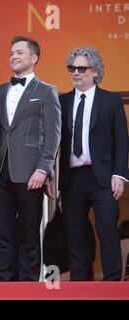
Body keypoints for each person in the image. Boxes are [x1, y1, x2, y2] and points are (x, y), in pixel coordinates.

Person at [0, 36, 61, 281]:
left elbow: (53, 135)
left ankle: (28, 289)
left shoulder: (46, 90)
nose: (13, 56)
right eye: (11, 53)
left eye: (19, 52)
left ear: (34, 58)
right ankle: (0, 287)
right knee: (0, 234)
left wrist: (44, 169)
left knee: (30, 235)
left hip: (30, 173)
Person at [58, 47, 128, 281]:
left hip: (103, 177)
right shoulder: (62, 101)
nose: (75, 73)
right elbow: (53, 143)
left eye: (81, 68)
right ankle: (79, 286)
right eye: (72, 68)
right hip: (72, 179)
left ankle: (111, 284)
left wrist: (119, 174)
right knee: (75, 235)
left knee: (107, 230)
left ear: (95, 71)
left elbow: (121, 139)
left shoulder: (111, 100)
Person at [43, 195, 96, 281]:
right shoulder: (51, 227)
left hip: (80, 274)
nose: (62, 204)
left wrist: (73, 272)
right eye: (60, 201)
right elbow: (47, 254)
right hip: (55, 275)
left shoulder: (85, 225)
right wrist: (57, 275)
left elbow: (90, 251)